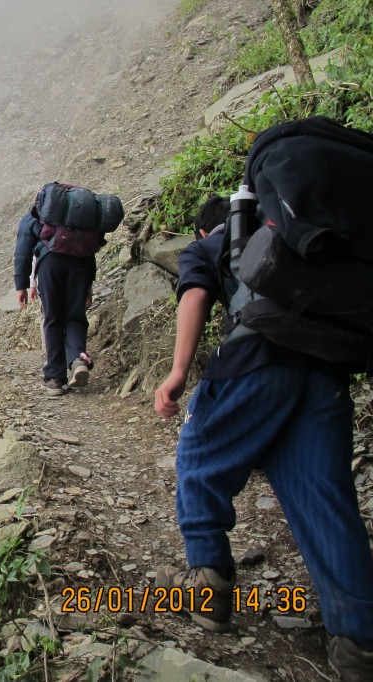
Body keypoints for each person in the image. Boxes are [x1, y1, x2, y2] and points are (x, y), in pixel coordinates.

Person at [153, 196, 373, 681]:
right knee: (324, 498)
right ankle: (359, 640)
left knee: (199, 459)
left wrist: (178, 372)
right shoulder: (300, 237)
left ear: (208, 229)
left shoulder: (209, 246)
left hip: (256, 357)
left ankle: (207, 583)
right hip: (326, 370)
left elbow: (195, 294)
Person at [14, 200, 95, 396]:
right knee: (75, 317)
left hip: (50, 264)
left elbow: (23, 251)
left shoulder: (35, 213)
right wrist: (88, 286)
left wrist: (21, 285)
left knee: (52, 319)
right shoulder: (78, 214)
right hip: (80, 264)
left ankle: (55, 378)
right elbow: (90, 248)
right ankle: (78, 359)